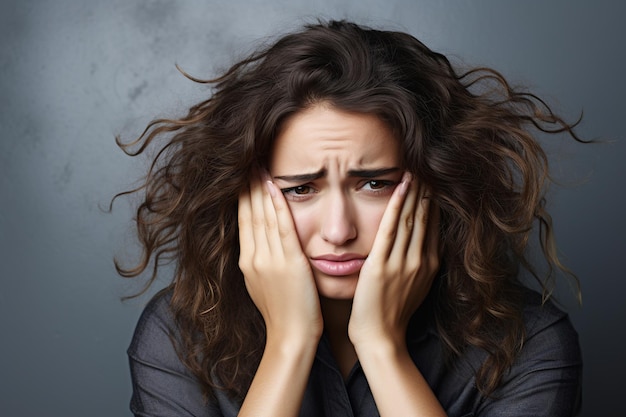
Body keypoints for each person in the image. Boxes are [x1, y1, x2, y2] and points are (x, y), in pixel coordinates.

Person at [116, 20, 583, 416]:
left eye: (374, 183)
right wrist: (289, 344)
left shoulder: (528, 343)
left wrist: (383, 348)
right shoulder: (179, 338)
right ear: (246, 199)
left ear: (435, 186)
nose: (339, 231)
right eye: (301, 189)